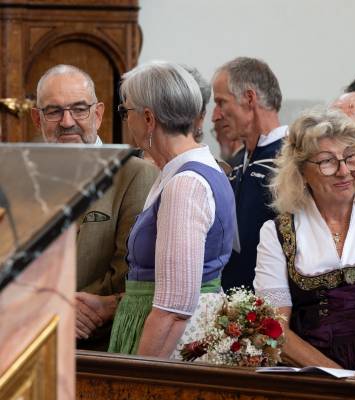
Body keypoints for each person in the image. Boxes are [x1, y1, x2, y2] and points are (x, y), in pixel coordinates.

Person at [253, 108, 355, 370]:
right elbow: (274, 328)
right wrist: (337, 376)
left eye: (350, 157)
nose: (343, 171)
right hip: (316, 377)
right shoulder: (278, 233)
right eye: (327, 161)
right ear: (302, 171)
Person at [107, 61, 235, 358]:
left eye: (127, 112)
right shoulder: (186, 172)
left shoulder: (186, 184)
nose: (127, 121)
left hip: (171, 346)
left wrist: (138, 383)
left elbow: (173, 309)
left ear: (148, 118)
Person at [30, 64, 157, 351]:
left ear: (98, 114)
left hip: (99, 349)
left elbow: (129, 272)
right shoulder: (20, 177)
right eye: (53, 111)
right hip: (26, 342)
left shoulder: (134, 174)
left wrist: (65, 310)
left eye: (78, 109)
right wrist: (49, 309)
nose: (66, 121)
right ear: (37, 119)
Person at [212, 57, 287, 291]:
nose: (215, 115)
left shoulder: (290, 160)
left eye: (221, 102)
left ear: (249, 98)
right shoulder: (238, 163)